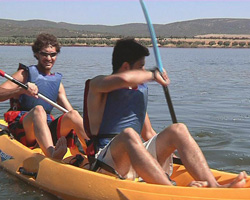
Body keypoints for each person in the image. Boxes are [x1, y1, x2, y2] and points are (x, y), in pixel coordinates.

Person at [83, 38, 247, 187]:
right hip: (106, 161)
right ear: (126, 67)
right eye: (141, 67)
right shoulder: (98, 85)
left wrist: (174, 153)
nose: (144, 70)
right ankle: (170, 190)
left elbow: (148, 133)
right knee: (130, 134)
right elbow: (124, 79)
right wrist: (153, 75)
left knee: (178, 129)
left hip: (136, 156)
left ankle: (214, 186)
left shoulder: (136, 94)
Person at [0, 33, 89, 160]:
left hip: (45, 127)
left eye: (53, 54)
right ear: (36, 54)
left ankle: (93, 153)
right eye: (44, 54)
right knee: (39, 110)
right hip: (24, 129)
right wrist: (21, 90)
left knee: (74, 114)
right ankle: (52, 155)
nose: (49, 58)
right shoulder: (24, 74)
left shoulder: (57, 83)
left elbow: (69, 111)